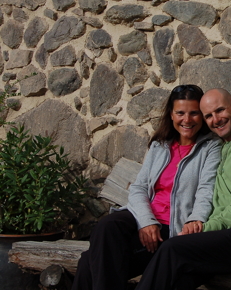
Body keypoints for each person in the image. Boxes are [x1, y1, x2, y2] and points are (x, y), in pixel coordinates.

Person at [72, 85, 221, 290]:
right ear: (171, 115)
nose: (187, 120)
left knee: (89, 261)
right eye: (180, 113)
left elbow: (207, 189)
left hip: (171, 227)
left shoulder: (211, 147)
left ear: (202, 116)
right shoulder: (160, 145)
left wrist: (196, 219)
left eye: (194, 113)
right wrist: (146, 222)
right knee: (107, 226)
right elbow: (139, 187)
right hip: (142, 218)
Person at [135, 88, 231, 290]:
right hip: (223, 236)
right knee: (177, 279)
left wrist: (210, 226)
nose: (216, 119)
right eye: (208, 116)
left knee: (172, 250)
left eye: (220, 110)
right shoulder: (222, 147)